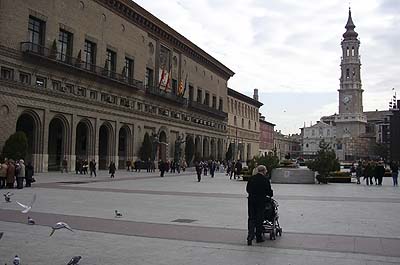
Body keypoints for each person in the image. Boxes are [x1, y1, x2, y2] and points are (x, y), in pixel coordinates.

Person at [246, 165, 273, 246]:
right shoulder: (265, 180)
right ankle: (258, 237)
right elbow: (269, 192)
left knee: (251, 218)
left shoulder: (252, 178)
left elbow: (247, 189)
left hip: (251, 201)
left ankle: (250, 236)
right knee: (259, 219)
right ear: (264, 171)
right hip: (261, 202)